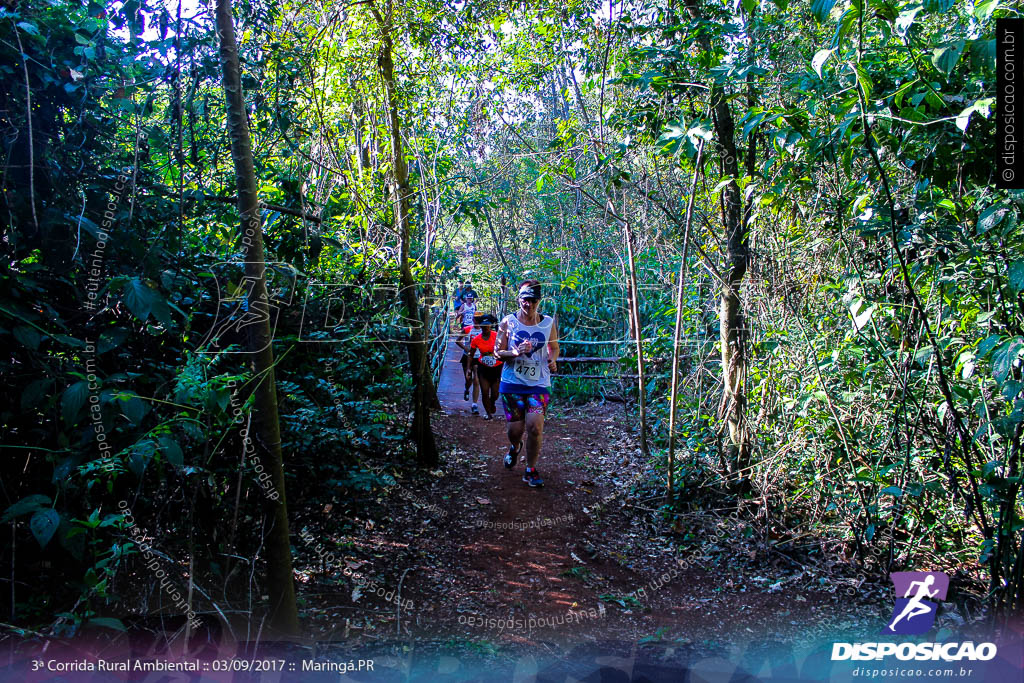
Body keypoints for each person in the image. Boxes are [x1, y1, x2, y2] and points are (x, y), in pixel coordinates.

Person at [495, 280, 559, 487]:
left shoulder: (548, 322)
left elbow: (554, 347)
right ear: (519, 300)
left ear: (539, 301)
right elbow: (498, 351)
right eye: (525, 300)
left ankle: (530, 469)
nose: (528, 305)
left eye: (533, 300)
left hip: (538, 383)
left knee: (535, 427)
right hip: (512, 382)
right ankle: (515, 447)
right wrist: (514, 352)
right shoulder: (508, 322)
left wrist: (553, 359)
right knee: (514, 430)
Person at [470, 314, 502, 420]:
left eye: (487, 325)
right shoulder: (476, 339)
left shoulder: (497, 336)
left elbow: (503, 349)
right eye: (483, 326)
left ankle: (492, 402)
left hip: (497, 367)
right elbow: (471, 354)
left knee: (495, 393)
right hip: (483, 367)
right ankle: (488, 413)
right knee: (484, 391)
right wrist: (468, 369)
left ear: (491, 325)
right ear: (480, 326)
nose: (485, 327)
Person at [453, 292, 480, 411]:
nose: (470, 299)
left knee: (476, 379)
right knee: (468, 378)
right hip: (467, 355)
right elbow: (457, 341)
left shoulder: (484, 330)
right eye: (468, 298)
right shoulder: (467, 328)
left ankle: (474, 405)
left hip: (478, 357)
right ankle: (466, 388)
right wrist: (467, 349)